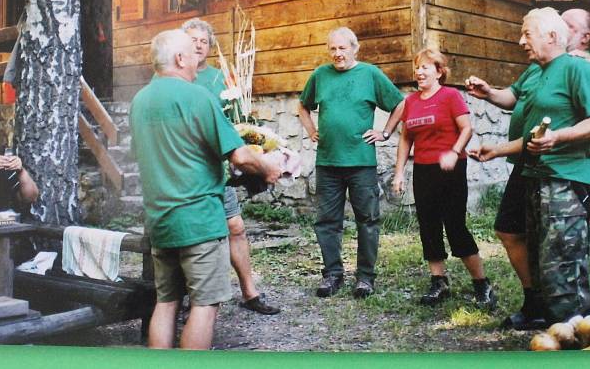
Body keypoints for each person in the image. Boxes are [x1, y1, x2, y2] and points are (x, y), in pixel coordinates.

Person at [465, 7, 590, 328]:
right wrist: (497, 148)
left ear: (551, 37)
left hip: (567, 179)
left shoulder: (578, 69)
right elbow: (531, 131)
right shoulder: (538, 70)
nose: (521, 41)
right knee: (545, 262)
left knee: (563, 268)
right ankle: (554, 329)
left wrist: (558, 137)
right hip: (536, 177)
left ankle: (578, 337)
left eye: (527, 34)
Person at [130, 29, 280, 349]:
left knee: (167, 302)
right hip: (199, 220)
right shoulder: (197, 96)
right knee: (205, 305)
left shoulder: (139, 101)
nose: (198, 61)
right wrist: (269, 168)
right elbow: (239, 155)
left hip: (160, 220)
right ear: (179, 58)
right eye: (192, 55)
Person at [182, 17, 280, 315]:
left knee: (235, 226)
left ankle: (250, 293)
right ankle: (187, 296)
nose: (199, 46)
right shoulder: (175, 76)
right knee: (192, 233)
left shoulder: (220, 77)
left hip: (220, 166)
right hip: (189, 167)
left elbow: (237, 119)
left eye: (204, 41)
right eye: (193, 40)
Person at [298, 27, 405, 299]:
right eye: (333, 49)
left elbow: (399, 104)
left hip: (361, 163)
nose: (337, 54)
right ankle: (332, 275)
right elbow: (303, 106)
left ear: (354, 49)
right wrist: (311, 130)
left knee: (367, 220)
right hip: (328, 162)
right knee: (326, 221)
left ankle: (365, 278)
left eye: (342, 48)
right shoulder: (320, 75)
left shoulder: (369, 74)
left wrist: (385, 132)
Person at [392, 49, 497, 309]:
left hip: (451, 169)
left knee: (455, 227)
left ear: (439, 71)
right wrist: (398, 173)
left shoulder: (451, 96)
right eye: (417, 67)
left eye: (426, 67)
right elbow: (406, 138)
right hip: (424, 170)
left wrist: (454, 151)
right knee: (428, 226)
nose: (419, 72)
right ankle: (439, 281)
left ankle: (482, 284)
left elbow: (467, 128)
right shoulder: (411, 101)